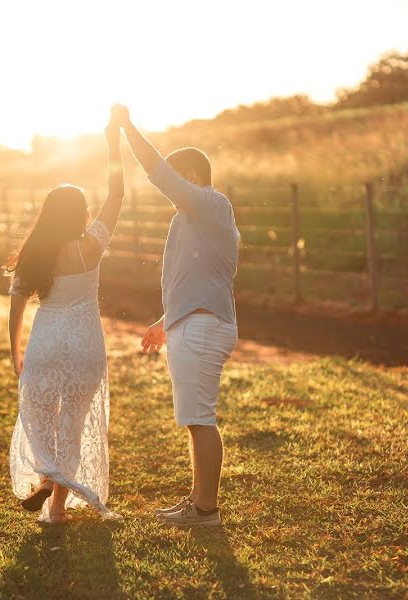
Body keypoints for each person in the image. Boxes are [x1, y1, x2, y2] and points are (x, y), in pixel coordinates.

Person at [111, 104, 239, 528]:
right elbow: (193, 278)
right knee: (194, 419)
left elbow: (157, 172)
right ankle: (200, 502)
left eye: (175, 176)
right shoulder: (190, 221)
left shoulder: (212, 205)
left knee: (200, 417)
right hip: (190, 322)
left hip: (204, 326)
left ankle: (206, 511)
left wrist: (128, 128)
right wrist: (165, 320)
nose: (168, 184)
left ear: (195, 177)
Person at [4, 114, 123, 524]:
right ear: (80, 214)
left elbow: (16, 310)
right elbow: (117, 194)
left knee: (39, 418)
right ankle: (55, 508)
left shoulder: (33, 255)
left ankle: (44, 478)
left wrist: (15, 354)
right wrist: (113, 144)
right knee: (71, 424)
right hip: (84, 344)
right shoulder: (90, 247)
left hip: (46, 342)